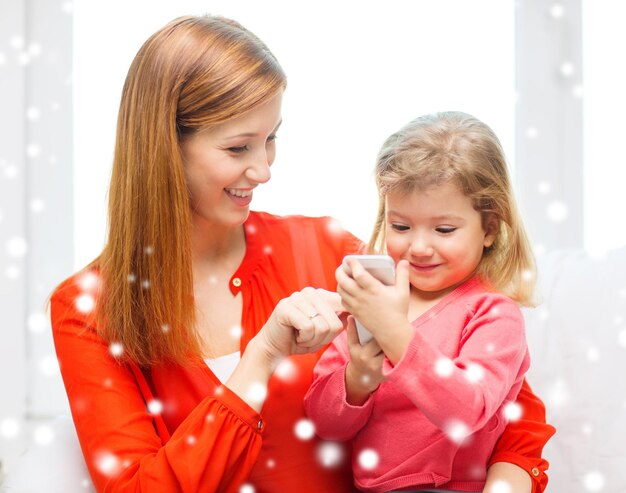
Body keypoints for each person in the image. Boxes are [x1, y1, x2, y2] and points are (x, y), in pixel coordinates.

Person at [49, 15, 554, 493]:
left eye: (271, 139)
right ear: (164, 147)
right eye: (238, 148)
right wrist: (261, 357)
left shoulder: (326, 249)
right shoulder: (88, 309)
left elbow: (502, 403)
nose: (264, 169)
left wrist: (506, 481)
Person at [304, 111, 554, 493]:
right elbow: (326, 425)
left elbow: (466, 410)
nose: (418, 247)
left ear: (489, 228)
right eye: (401, 226)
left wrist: (396, 333)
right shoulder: (377, 298)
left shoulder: (492, 314)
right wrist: (357, 379)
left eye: (444, 229)